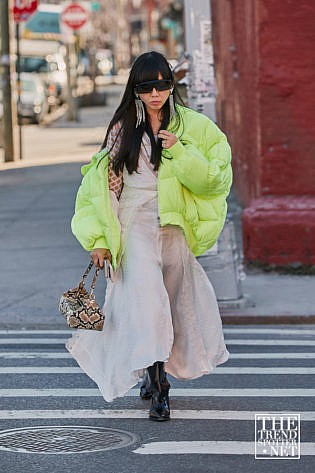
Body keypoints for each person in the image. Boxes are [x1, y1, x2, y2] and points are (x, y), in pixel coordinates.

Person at [66, 51, 232, 422]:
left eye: (163, 84)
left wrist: (181, 151)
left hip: (173, 225)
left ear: (172, 85)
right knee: (148, 304)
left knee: (171, 304)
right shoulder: (121, 128)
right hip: (134, 221)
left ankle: (151, 370)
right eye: (147, 86)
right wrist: (99, 238)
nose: (156, 93)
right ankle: (160, 387)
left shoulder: (194, 127)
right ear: (135, 89)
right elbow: (93, 186)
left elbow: (215, 179)